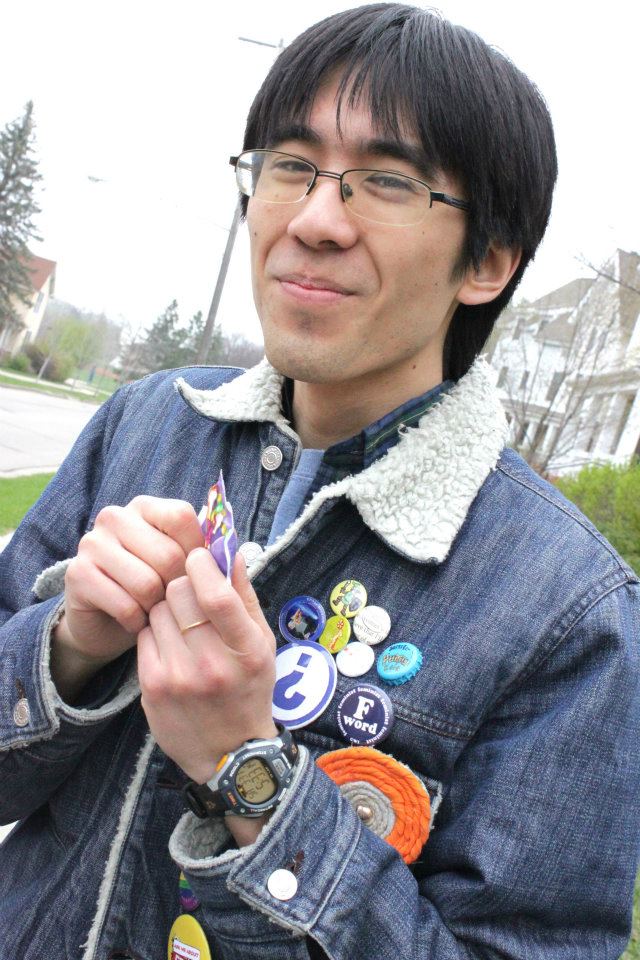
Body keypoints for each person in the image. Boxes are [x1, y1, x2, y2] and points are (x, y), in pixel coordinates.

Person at [1, 4, 639, 958]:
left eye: (385, 181)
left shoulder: (571, 613)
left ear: (490, 261)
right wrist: (69, 646)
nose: (312, 220)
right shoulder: (145, 426)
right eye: (290, 166)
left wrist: (248, 771)